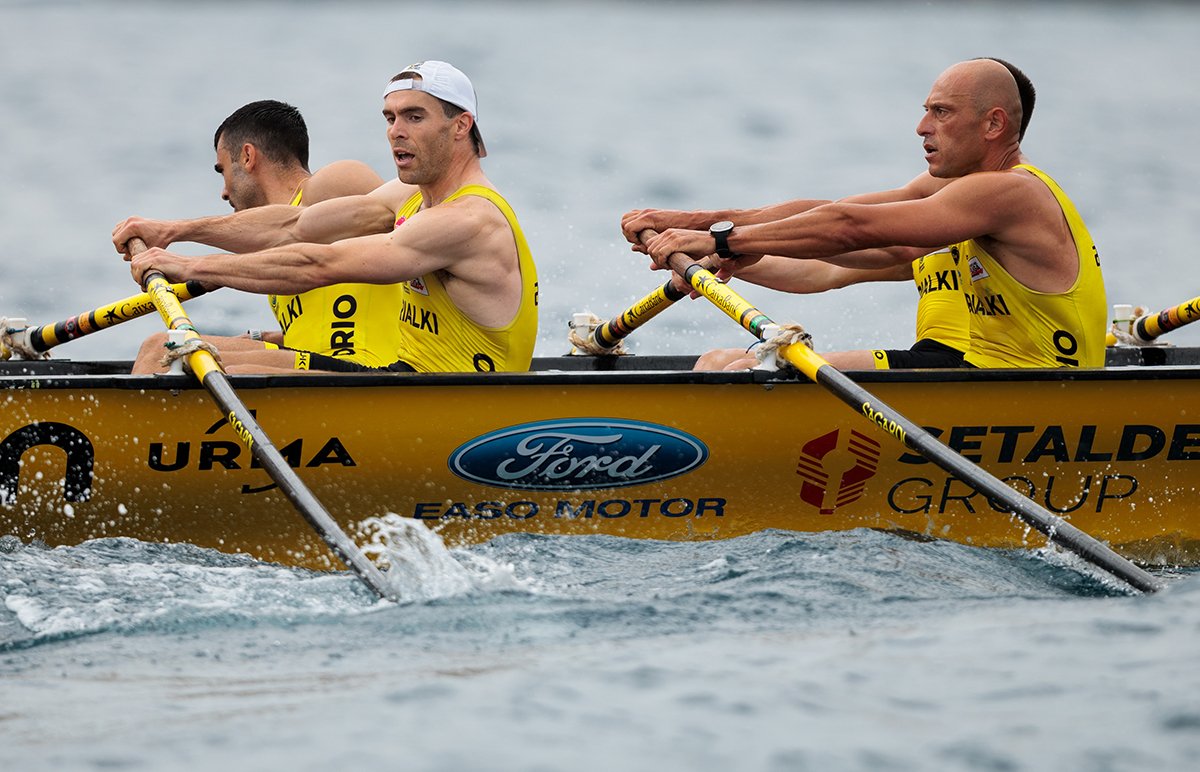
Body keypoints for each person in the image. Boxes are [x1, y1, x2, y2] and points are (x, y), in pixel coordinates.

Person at [623, 57, 1107, 370]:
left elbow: (854, 229)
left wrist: (723, 241)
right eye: (926, 111)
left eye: (941, 113)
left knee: (743, 371)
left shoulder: (1011, 194)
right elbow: (828, 253)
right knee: (716, 362)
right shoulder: (942, 197)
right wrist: (706, 231)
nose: (921, 127)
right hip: (951, 370)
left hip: (1031, 387)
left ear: (993, 124)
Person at [114, 60, 539, 374]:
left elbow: (319, 263)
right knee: (165, 352)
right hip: (403, 380)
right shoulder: (406, 195)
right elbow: (293, 226)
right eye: (390, 118)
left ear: (461, 126)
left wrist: (189, 266)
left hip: (448, 405)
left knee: (220, 372)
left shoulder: (468, 219)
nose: (396, 131)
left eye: (415, 117)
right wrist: (174, 231)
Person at [116, 99, 397, 374]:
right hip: (317, 365)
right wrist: (258, 339)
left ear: (248, 157)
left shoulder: (338, 180)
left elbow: (294, 228)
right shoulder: (272, 253)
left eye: (222, 170)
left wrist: (172, 233)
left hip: (369, 371)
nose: (223, 192)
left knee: (161, 349)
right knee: (167, 348)